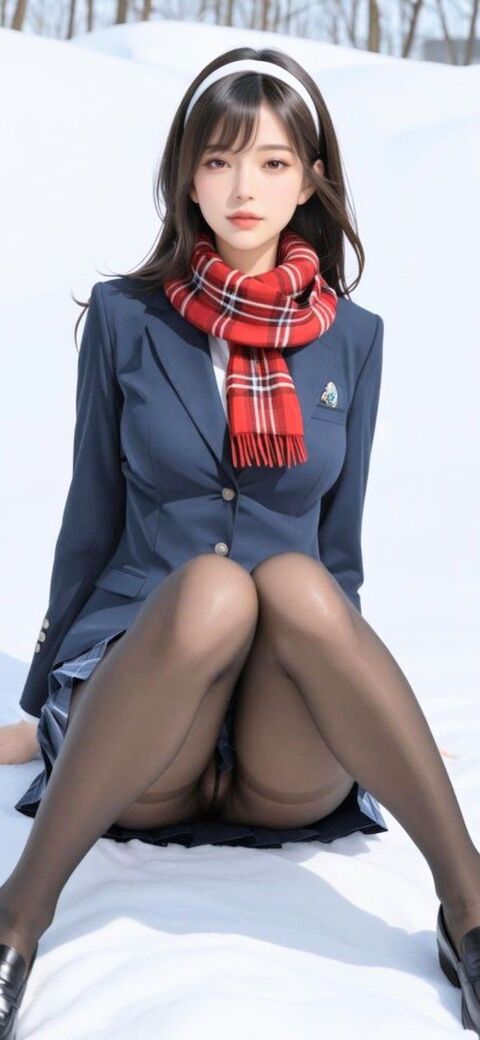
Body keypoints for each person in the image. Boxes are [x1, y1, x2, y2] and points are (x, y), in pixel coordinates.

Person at [1, 46, 479, 1038]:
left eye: (270, 162)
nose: (243, 187)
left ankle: (471, 910)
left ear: (310, 180)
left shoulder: (355, 338)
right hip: (155, 704)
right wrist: (47, 702)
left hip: (281, 745)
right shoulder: (127, 319)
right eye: (218, 161)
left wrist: (371, 708)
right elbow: (91, 522)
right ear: (187, 178)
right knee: (213, 588)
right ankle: (16, 920)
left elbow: (340, 558)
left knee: (298, 581)